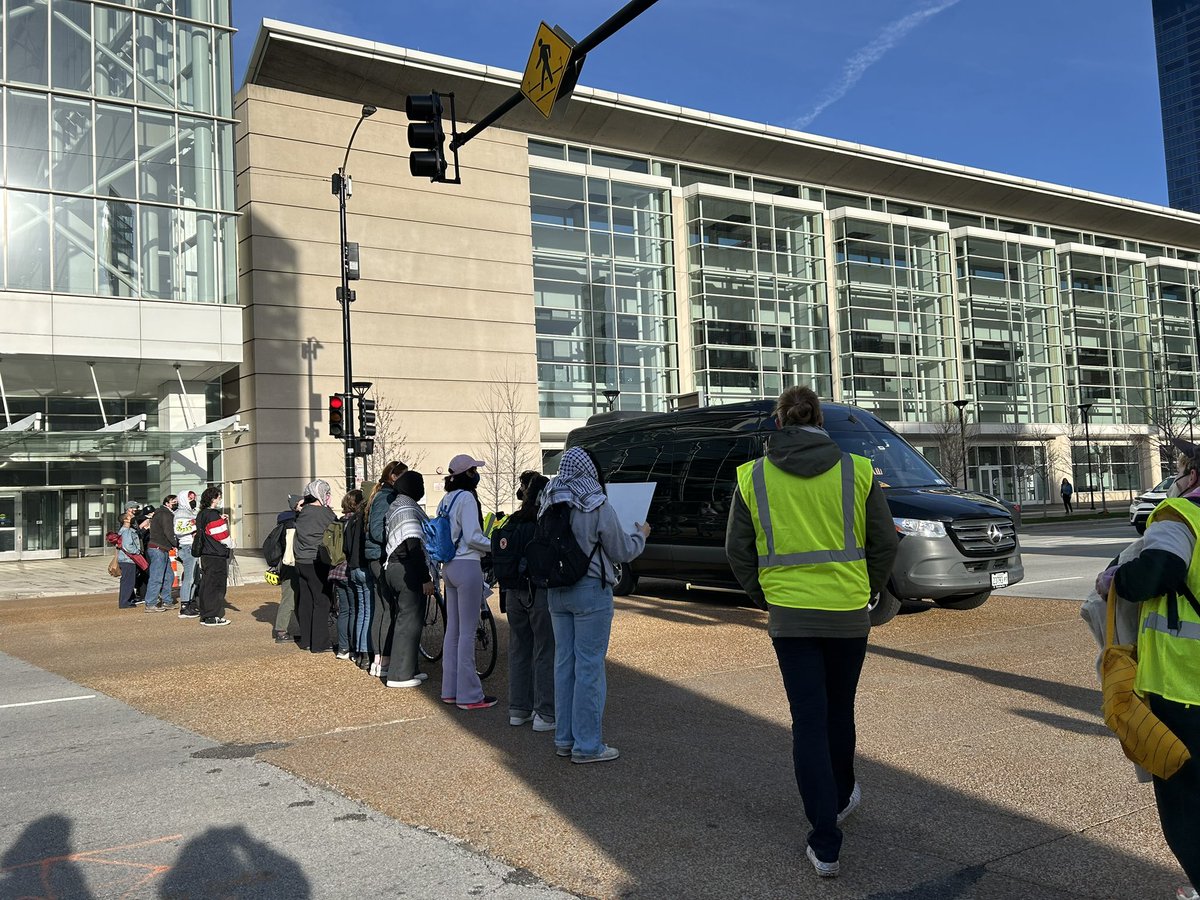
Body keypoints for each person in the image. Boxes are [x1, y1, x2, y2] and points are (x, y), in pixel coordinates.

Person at [725, 386, 899, 879]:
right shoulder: (857, 470)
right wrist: (868, 589)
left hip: (790, 617)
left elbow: (737, 551)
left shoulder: (753, 476)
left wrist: (767, 598)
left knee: (808, 720)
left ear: (779, 423)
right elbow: (885, 542)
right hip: (846, 614)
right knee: (839, 712)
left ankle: (825, 841)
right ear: (821, 421)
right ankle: (841, 797)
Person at [1096, 444, 1200, 894]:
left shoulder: (1180, 514)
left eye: (1181, 468)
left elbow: (1158, 570)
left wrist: (1115, 578)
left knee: (1187, 809)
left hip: (1183, 690)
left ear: (1192, 474)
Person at [540, 447, 648, 764]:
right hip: (589, 590)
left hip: (556, 591)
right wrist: (641, 535)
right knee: (589, 667)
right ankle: (587, 746)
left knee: (564, 664)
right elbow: (621, 550)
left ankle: (564, 738)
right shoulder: (595, 501)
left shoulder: (548, 499)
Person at [497, 472, 555, 732]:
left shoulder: (511, 521)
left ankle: (518, 709)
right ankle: (545, 713)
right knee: (545, 650)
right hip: (538, 592)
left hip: (512, 592)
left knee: (519, 649)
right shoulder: (542, 522)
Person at [438, 454, 496, 709]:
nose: (477, 474)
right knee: (467, 633)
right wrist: (496, 546)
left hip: (448, 567)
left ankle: (449, 690)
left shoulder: (445, 499)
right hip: (468, 565)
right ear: (468, 474)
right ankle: (470, 695)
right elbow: (473, 537)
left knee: (452, 631)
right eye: (474, 470)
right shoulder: (467, 498)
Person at [382, 470, 436, 688]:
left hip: (393, 569)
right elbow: (413, 546)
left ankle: (410, 668)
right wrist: (426, 578)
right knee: (409, 622)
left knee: (408, 620)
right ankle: (399, 675)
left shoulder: (396, 505)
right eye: (420, 483)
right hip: (406, 570)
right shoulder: (407, 510)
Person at [364, 461, 407, 677]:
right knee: (386, 611)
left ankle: (378, 660)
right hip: (380, 556)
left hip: (375, 556)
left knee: (382, 610)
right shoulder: (386, 497)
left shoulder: (379, 495)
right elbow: (377, 530)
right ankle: (383, 660)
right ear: (393, 476)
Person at [293, 479, 337, 653]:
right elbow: (337, 526)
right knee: (321, 601)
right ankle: (320, 642)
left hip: (301, 560)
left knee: (305, 599)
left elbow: (296, 507)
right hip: (316, 560)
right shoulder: (324, 513)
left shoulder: (302, 512)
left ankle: (306, 640)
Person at [195, 486, 233, 627]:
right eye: (218, 497)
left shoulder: (202, 514)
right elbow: (221, 535)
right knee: (216, 586)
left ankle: (206, 614)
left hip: (206, 553)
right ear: (213, 499)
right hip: (216, 554)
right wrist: (231, 543)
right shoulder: (212, 514)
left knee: (206, 584)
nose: (220, 499)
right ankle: (212, 615)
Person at [337, 489, 366, 662]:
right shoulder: (356, 521)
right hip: (349, 568)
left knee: (344, 611)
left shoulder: (340, 522)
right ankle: (355, 647)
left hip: (336, 570)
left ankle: (343, 647)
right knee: (356, 609)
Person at [271, 494, 304, 644]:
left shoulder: (285, 521)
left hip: (287, 565)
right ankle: (281, 630)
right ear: (296, 505)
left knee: (296, 598)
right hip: (290, 565)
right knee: (289, 598)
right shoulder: (292, 523)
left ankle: (303, 627)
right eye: (302, 504)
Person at [144, 494, 179, 612]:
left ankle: (167, 601)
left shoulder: (163, 513)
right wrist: (176, 544)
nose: (176, 503)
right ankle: (150, 603)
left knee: (168, 576)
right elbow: (169, 533)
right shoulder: (165, 514)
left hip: (162, 548)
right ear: (167, 503)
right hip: (158, 549)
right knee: (157, 577)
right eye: (174, 502)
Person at [173, 489, 200, 618]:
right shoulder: (181, 513)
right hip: (187, 546)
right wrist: (197, 526)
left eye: (194, 498)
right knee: (189, 579)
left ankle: (189, 603)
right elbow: (179, 530)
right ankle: (184, 606)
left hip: (192, 546)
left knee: (194, 579)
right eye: (190, 498)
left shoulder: (190, 512)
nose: (193, 500)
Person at [116, 509, 141, 609]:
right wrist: (137, 551)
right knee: (128, 581)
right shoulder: (126, 531)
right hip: (128, 559)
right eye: (129, 516)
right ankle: (124, 602)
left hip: (126, 559)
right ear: (126, 520)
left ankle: (128, 600)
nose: (132, 517)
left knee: (129, 581)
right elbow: (128, 546)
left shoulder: (127, 530)